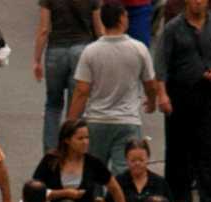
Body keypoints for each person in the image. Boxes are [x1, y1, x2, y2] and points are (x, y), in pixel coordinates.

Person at [153, 0, 211, 202]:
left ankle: (210, 199)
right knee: (178, 150)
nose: (198, 2)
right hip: (180, 96)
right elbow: (161, 64)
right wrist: (162, 94)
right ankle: (179, 199)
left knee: (210, 148)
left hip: (209, 96)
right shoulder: (173, 28)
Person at [66, 3, 157, 172]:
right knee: (124, 174)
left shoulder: (91, 52)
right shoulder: (139, 49)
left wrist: (70, 123)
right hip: (127, 120)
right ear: (122, 19)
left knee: (94, 172)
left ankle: (96, 198)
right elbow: (150, 84)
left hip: (96, 121)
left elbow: (81, 91)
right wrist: (152, 101)